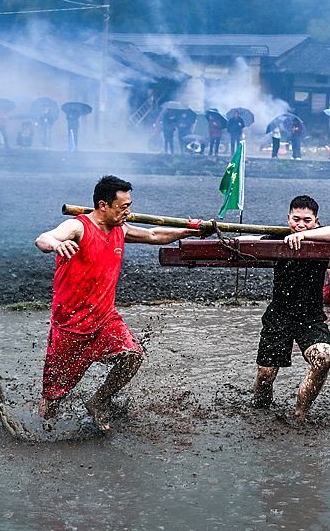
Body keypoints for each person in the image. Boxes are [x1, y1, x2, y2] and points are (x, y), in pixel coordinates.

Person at [34, 176, 207, 429]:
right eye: (123, 206)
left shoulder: (120, 229)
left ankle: (99, 401)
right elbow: (43, 238)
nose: (128, 211)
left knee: (132, 356)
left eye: (129, 205)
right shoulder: (78, 227)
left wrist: (193, 230)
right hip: (69, 327)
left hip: (104, 319)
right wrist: (56, 245)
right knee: (52, 398)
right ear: (103, 205)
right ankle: (40, 439)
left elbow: (153, 234)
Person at [253, 195, 330, 420]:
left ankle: (299, 416)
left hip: (311, 319)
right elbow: (247, 241)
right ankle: (258, 415)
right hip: (279, 316)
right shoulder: (277, 238)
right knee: (266, 376)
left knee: (323, 358)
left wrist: (303, 235)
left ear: (316, 221)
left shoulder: (322, 238)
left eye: (307, 220)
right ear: (288, 218)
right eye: (296, 220)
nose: (300, 224)